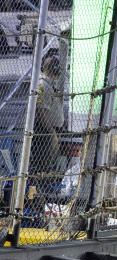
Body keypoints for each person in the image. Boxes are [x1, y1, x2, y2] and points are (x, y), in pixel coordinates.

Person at [31, 53, 64, 193]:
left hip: (51, 128)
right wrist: (51, 133)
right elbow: (41, 111)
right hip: (44, 129)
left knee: (47, 160)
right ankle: (38, 188)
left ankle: (43, 185)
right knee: (42, 160)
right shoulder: (43, 85)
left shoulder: (50, 84)